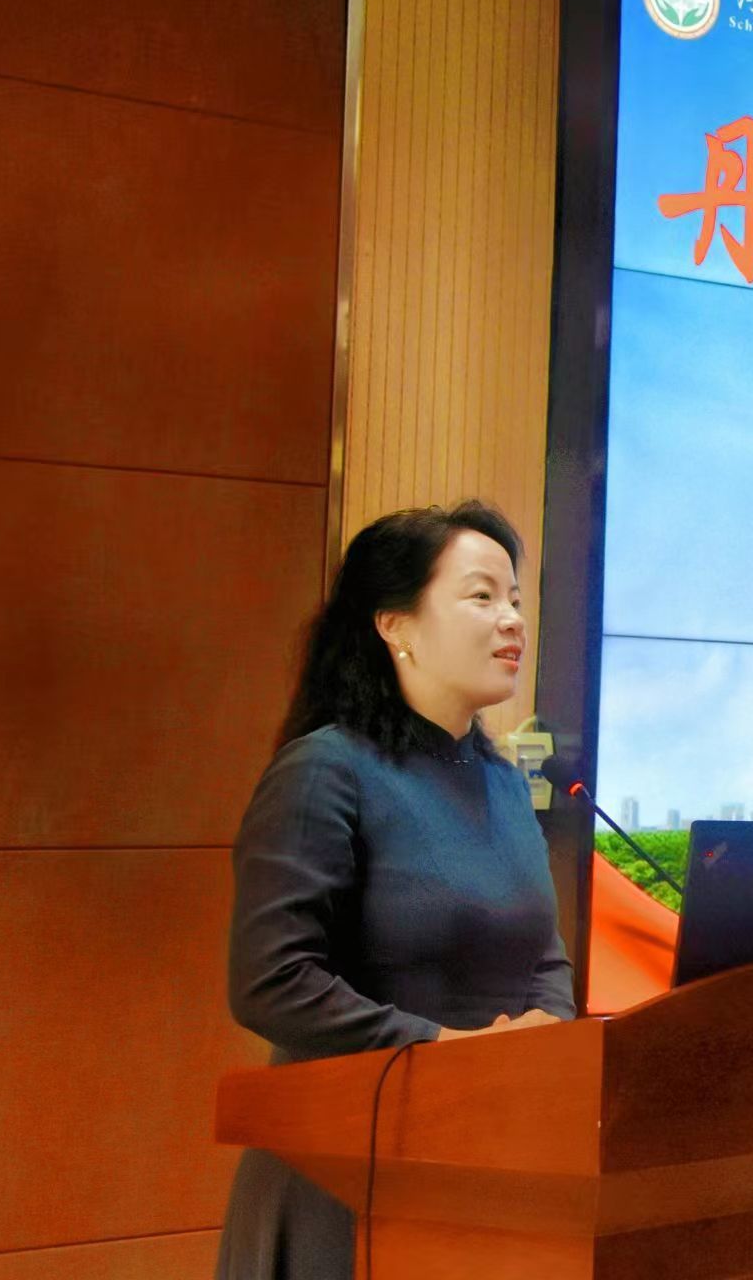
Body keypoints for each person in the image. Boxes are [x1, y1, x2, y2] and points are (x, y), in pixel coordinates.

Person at [215, 501, 574, 1280]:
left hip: (482, 1173)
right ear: (395, 625)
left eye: (516, 598)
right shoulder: (326, 770)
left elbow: (543, 955)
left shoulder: (505, 784)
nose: (512, 619)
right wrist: (440, 1051)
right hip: (343, 1180)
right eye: (482, 596)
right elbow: (271, 981)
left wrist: (551, 1040)